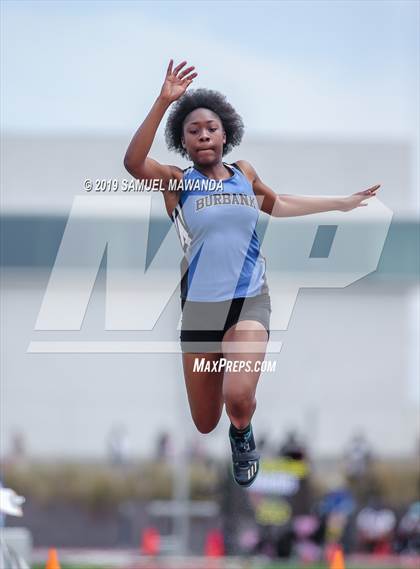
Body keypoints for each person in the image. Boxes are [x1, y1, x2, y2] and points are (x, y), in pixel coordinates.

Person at [123, 59, 380, 487]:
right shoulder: (176, 182)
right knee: (204, 422)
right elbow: (133, 163)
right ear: (183, 142)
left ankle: (242, 432)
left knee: (238, 397)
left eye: (211, 128)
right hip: (202, 310)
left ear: (225, 134)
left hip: (249, 300)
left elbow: (278, 205)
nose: (203, 134)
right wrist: (163, 100)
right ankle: (226, 427)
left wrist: (340, 203)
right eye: (193, 130)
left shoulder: (245, 174)